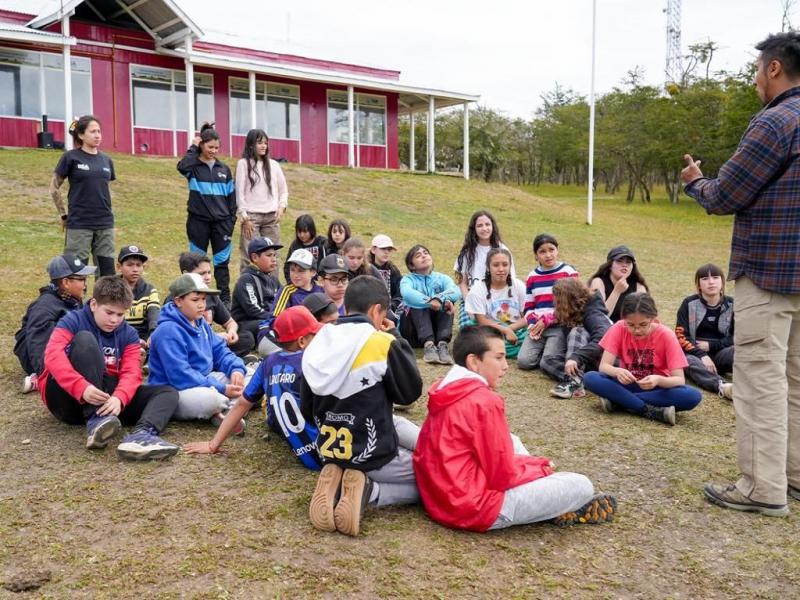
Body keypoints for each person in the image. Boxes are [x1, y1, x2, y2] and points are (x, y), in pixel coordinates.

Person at [681, 32, 800, 517]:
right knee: (796, 379)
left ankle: (761, 487)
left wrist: (695, 183)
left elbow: (725, 194)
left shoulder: (775, 122)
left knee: (760, 378)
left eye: (757, 71)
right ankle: (793, 475)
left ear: (774, 68)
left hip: (770, 273)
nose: (755, 80)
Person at [413, 325, 617, 532]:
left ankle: (548, 500)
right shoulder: (484, 401)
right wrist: (539, 467)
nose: (506, 366)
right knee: (581, 484)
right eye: (499, 358)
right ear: (474, 361)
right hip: (475, 507)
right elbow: (502, 476)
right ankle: (555, 504)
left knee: (513, 440)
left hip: (440, 499)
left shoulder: (444, 387)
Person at [302, 276, 423, 536]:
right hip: (374, 455)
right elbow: (409, 393)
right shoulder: (381, 342)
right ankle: (369, 491)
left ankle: (337, 482)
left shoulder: (318, 340)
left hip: (329, 449)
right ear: (375, 311)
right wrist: (394, 336)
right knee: (433, 478)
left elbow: (306, 409)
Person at [39, 276, 179, 460]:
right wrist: (82, 388)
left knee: (168, 393)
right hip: (66, 397)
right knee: (85, 340)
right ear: (94, 304)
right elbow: (52, 356)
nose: (114, 320)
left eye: (120, 315)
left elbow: (132, 372)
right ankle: (95, 421)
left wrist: (119, 398)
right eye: (109, 312)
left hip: (105, 395)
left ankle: (142, 435)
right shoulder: (73, 320)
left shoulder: (128, 333)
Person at [185, 306, 322, 467]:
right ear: (302, 341)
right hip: (330, 452)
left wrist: (213, 444)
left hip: (306, 456)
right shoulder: (312, 360)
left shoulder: (268, 363)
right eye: (315, 334)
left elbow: (242, 404)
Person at [147, 273, 247, 433]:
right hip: (176, 392)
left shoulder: (200, 322)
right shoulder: (168, 331)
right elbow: (181, 376)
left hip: (206, 380)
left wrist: (236, 369)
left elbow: (220, 352)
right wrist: (221, 388)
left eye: (203, 299)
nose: (202, 305)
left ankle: (226, 412)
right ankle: (230, 407)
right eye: (195, 300)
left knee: (250, 376)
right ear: (178, 301)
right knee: (212, 399)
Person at [583, 293, 702, 426]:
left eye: (643, 324)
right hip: (626, 384)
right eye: (631, 325)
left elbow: (679, 379)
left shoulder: (666, 335)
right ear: (624, 320)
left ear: (653, 318)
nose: (637, 330)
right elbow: (604, 366)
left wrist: (658, 379)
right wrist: (617, 372)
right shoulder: (618, 328)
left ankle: (619, 402)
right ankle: (647, 410)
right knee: (590, 377)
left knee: (692, 396)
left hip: (656, 389)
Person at [14, 254, 96, 394]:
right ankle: (39, 378)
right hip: (40, 358)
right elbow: (38, 344)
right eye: (81, 279)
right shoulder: (45, 307)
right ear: (65, 283)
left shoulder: (72, 298)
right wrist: (44, 375)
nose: (85, 284)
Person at [177, 122, 236, 304]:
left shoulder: (224, 169)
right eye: (210, 146)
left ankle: (224, 301)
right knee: (198, 263)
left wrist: (230, 221)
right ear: (202, 145)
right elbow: (181, 166)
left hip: (222, 224)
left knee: (221, 263)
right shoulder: (192, 167)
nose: (213, 150)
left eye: (217, 147)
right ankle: (199, 297)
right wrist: (193, 146)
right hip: (198, 222)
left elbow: (231, 198)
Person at [50, 115, 116, 276]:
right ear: (81, 135)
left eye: (99, 131)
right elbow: (54, 188)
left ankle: (103, 301)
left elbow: (106, 190)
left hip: (105, 223)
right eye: (93, 131)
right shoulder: (70, 157)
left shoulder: (107, 161)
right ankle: (74, 302)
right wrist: (63, 215)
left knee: (107, 271)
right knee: (76, 271)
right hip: (79, 223)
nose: (97, 135)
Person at [517, 233, 579, 371]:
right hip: (537, 327)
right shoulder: (532, 276)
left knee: (548, 360)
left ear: (557, 250)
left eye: (551, 249)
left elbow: (573, 305)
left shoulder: (568, 272)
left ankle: (552, 350)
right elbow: (528, 306)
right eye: (542, 252)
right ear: (536, 255)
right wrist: (533, 323)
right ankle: (543, 350)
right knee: (524, 362)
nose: (548, 255)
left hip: (559, 326)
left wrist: (548, 320)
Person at [543, 278, 612, 399]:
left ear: (568, 299)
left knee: (577, 331)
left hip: (605, 359)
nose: (554, 302)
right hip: (586, 362)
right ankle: (581, 380)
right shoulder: (570, 312)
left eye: (557, 299)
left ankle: (574, 382)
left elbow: (604, 338)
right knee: (547, 361)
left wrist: (576, 357)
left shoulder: (593, 311)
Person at [175, 252, 253, 358]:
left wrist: (231, 332)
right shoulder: (178, 299)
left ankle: (220, 359)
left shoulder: (211, 295)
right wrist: (213, 337)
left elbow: (230, 322)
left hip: (210, 344)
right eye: (202, 273)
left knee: (246, 338)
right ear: (186, 274)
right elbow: (180, 337)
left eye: (209, 272)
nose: (207, 277)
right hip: (191, 347)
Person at [674, 264, 734, 400]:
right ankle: (722, 386)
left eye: (715, 277)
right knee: (685, 360)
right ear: (698, 284)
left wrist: (712, 346)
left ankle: (754, 382)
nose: (711, 282)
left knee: (742, 350)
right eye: (705, 278)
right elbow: (681, 336)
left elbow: (739, 336)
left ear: (722, 282)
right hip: (695, 354)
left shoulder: (732, 305)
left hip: (721, 352)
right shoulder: (688, 304)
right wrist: (701, 355)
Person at [235, 129, 288, 272]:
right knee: (250, 258)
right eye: (259, 143)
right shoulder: (243, 164)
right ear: (251, 144)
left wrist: (281, 207)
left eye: (265, 143)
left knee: (272, 258)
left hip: (271, 218)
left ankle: (273, 292)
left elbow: (283, 190)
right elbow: (239, 193)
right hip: (252, 218)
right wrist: (245, 218)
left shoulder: (274, 165)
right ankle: (248, 290)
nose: (263, 146)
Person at [400, 244, 461, 365]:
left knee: (448, 302)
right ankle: (428, 345)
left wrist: (439, 300)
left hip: (436, 331)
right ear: (412, 265)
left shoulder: (442, 278)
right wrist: (429, 302)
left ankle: (442, 344)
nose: (423, 256)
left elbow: (456, 291)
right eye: (418, 255)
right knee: (417, 302)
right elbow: (407, 293)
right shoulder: (408, 280)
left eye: (426, 253)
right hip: (412, 333)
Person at [454, 210, 515, 328]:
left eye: (487, 224)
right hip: (472, 297)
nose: (484, 228)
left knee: (499, 329)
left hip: (498, 299)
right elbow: (461, 282)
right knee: (469, 330)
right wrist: (469, 302)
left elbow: (510, 279)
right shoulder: (466, 252)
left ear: (493, 226)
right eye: (480, 225)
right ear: (474, 229)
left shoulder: (503, 249)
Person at [464, 248, 527, 359]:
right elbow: (481, 321)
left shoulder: (519, 286)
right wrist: (505, 330)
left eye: (505, 264)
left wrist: (511, 329)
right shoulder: (478, 289)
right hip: (489, 329)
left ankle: (501, 349)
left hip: (516, 329)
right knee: (472, 335)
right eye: (496, 265)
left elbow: (526, 317)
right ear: (488, 267)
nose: (501, 269)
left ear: (510, 266)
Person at [257, 248, 323, 351]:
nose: (296, 275)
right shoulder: (287, 291)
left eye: (301, 271)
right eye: (292, 270)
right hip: (287, 335)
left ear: (313, 272)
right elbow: (276, 319)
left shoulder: (321, 290)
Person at [231, 237, 282, 355]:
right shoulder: (246, 279)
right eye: (269, 255)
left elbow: (282, 301)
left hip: (267, 319)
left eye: (275, 255)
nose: (274, 259)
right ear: (255, 258)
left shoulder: (273, 279)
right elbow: (252, 309)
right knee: (271, 325)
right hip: (247, 323)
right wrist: (274, 318)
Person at [588, 246, 649, 323]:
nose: (624, 265)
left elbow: (645, 320)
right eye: (619, 261)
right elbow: (598, 318)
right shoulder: (598, 283)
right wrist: (616, 292)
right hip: (603, 330)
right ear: (610, 265)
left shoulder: (639, 288)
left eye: (628, 262)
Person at [117, 245, 160, 353]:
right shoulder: (111, 288)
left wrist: (152, 334)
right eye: (130, 265)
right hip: (118, 334)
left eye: (139, 265)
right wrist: (134, 339)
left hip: (144, 337)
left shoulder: (150, 290)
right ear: (119, 267)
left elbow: (154, 315)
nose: (135, 269)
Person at [283, 214, 327, 283]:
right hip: (300, 283)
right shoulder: (295, 245)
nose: (302, 235)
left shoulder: (321, 243)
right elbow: (287, 266)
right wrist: (291, 283)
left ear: (311, 230)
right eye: (299, 232)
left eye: (305, 232)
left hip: (319, 283)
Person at [368, 234, 403, 318]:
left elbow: (399, 292)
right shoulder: (366, 269)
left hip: (389, 310)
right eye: (383, 249)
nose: (386, 252)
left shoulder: (394, 271)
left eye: (389, 249)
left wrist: (393, 306)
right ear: (373, 250)